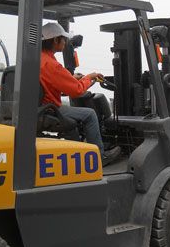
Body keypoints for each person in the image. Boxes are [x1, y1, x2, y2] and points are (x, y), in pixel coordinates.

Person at [39, 22, 121, 166]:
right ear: (55, 40)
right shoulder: (52, 65)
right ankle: (99, 158)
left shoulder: (38, 59)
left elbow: (52, 84)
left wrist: (71, 78)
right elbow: (77, 91)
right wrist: (90, 77)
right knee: (89, 114)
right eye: (63, 39)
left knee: (76, 117)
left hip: (41, 106)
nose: (65, 42)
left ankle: (77, 150)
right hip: (51, 108)